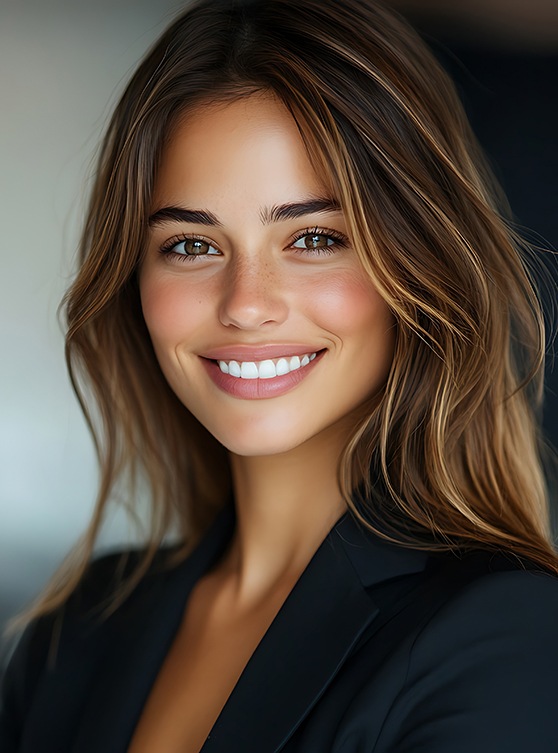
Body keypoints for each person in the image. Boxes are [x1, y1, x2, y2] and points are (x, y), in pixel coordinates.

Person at [1, 0, 558, 750]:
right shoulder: (77, 630)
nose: (246, 304)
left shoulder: (500, 634)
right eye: (192, 246)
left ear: (419, 266)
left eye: (315, 237)